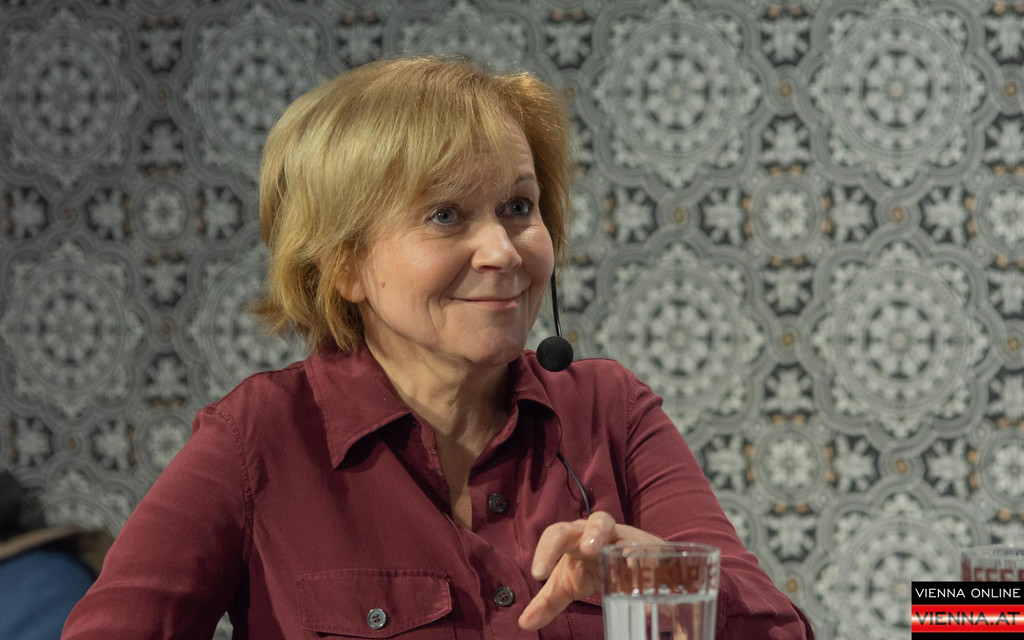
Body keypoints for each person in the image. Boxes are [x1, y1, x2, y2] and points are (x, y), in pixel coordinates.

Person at [62, 56, 813, 639]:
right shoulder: (257, 438)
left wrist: (653, 577)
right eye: (446, 215)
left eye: (518, 206)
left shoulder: (609, 409)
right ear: (344, 264)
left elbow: (780, 630)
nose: (503, 251)